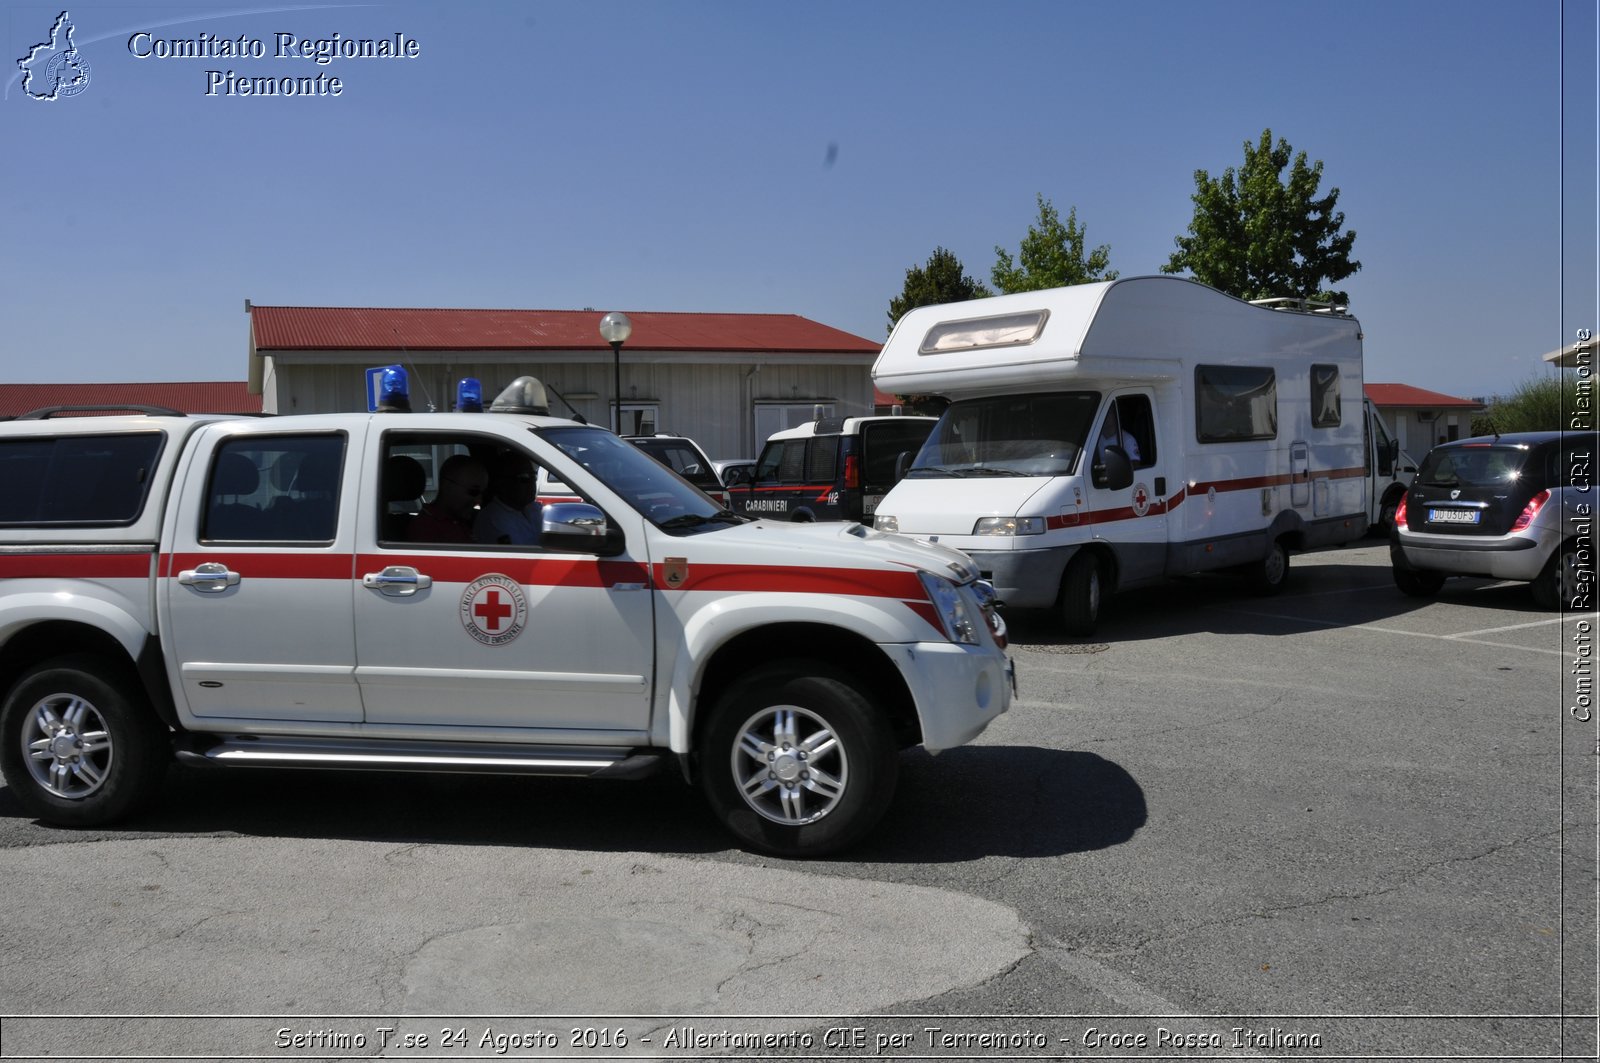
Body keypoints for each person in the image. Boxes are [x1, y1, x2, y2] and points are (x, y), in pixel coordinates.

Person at [409, 454, 487, 543]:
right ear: (446, 486)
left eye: (482, 493)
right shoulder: (425, 527)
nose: (479, 500)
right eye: (473, 492)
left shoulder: (460, 520)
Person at [473, 452, 542, 545]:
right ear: (501, 483)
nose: (532, 482)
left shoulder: (532, 508)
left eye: (534, 476)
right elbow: (518, 556)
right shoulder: (493, 519)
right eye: (524, 477)